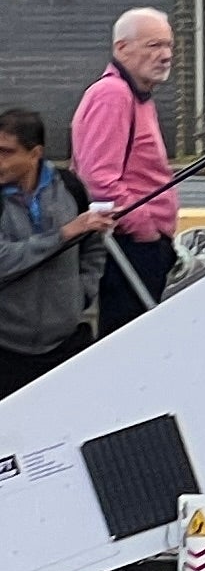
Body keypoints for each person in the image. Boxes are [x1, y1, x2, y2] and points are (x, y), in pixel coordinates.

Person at [69, 10, 177, 337]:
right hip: (130, 245)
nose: (166, 55)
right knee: (130, 338)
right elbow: (97, 178)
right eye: (153, 45)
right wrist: (144, 226)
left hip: (146, 241)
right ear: (122, 48)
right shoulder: (112, 96)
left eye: (169, 45)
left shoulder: (136, 94)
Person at [0, 104, 106, 396]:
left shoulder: (70, 188)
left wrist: (81, 294)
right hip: (7, 348)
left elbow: (93, 246)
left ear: (34, 154)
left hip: (65, 343)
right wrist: (63, 234)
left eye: (6, 152)